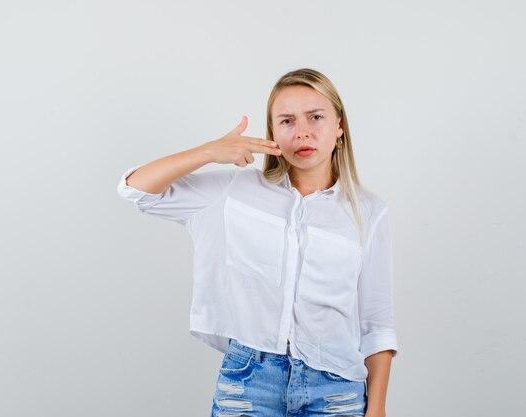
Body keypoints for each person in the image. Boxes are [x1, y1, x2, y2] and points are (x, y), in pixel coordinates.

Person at [116, 68, 398, 417]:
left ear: (339, 126)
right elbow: (135, 189)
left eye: (315, 117)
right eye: (287, 121)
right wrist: (209, 151)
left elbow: (376, 324)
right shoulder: (236, 192)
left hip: (336, 390)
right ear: (273, 133)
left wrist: (379, 408)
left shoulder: (369, 213)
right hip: (250, 383)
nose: (302, 132)